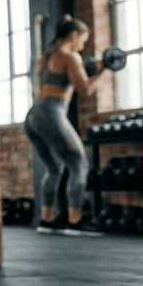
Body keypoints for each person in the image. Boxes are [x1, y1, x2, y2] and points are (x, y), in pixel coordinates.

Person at [24, 15, 109, 235]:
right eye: (82, 40)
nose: (82, 45)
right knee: (79, 164)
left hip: (33, 116)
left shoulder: (47, 56)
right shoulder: (70, 56)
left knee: (55, 167)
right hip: (51, 113)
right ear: (73, 36)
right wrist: (104, 69)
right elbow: (85, 91)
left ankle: (46, 220)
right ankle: (75, 222)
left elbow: (62, 80)